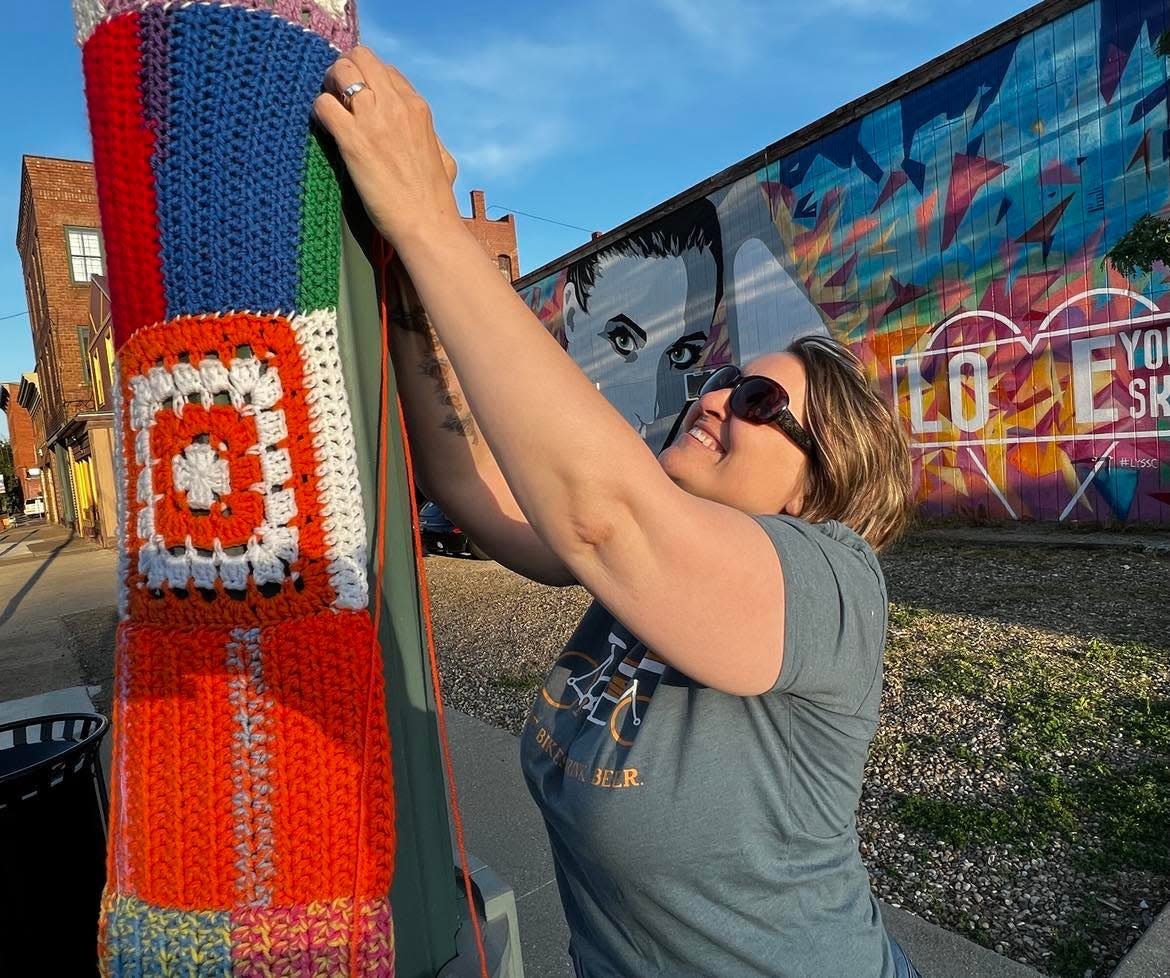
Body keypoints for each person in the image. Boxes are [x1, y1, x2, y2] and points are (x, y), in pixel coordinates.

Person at [315, 48, 921, 978]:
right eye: (721, 380)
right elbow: (466, 476)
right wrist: (403, 281)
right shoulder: (632, 571)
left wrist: (432, 223)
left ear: (817, 485)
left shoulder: (835, 583)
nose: (715, 398)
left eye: (760, 405)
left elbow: (604, 514)